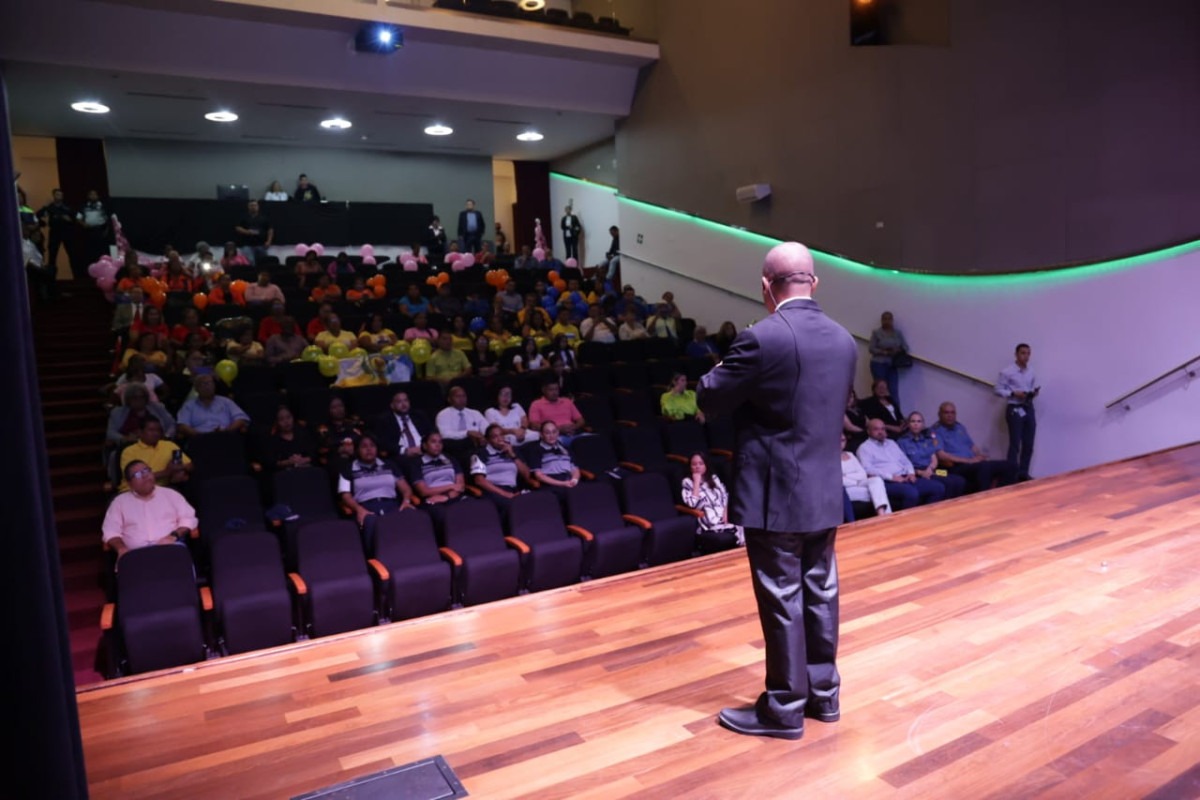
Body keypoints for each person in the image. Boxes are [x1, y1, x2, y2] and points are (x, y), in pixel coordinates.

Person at [696, 241, 857, 741]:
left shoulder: (760, 339)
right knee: (820, 591)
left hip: (774, 492)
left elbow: (709, 397)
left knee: (782, 596)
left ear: (766, 286)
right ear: (815, 282)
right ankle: (824, 696)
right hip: (824, 490)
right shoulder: (844, 340)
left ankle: (784, 707)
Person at [102, 460, 197, 560]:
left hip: (170, 548)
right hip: (135, 555)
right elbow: (110, 531)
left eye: (146, 470)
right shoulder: (119, 502)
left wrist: (173, 536)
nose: (145, 476)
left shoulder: (171, 494)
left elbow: (189, 518)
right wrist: (121, 549)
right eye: (138, 474)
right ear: (129, 483)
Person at [337, 434, 413, 552]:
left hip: (391, 504)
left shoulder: (389, 465)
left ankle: (410, 553)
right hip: (366, 507)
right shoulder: (348, 468)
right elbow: (345, 495)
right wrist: (359, 510)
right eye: (364, 446)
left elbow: (405, 488)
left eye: (372, 446)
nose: (369, 449)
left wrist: (406, 501)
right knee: (370, 521)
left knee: (409, 515)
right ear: (357, 450)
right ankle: (375, 557)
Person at [856, 418, 946, 511]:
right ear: (868, 431)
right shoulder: (864, 448)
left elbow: (906, 460)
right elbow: (868, 470)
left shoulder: (892, 443)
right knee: (912, 492)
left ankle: (927, 515)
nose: (881, 432)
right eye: (876, 429)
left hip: (913, 475)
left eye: (883, 429)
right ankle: (908, 519)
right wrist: (892, 477)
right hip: (889, 481)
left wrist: (911, 473)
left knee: (940, 486)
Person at [930, 401, 1018, 493]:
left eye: (952, 412)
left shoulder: (959, 427)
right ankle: (983, 498)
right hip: (955, 467)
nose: (950, 415)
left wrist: (980, 456)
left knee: (1010, 465)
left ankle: (1002, 495)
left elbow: (972, 446)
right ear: (939, 414)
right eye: (946, 412)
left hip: (971, 464)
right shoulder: (935, 431)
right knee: (984, 467)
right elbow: (941, 456)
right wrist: (969, 461)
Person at [897, 411, 967, 499]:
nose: (916, 424)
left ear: (923, 424)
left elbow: (934, 458)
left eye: (919, 421)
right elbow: (902, 465)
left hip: (933, 471)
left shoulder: (927, 439)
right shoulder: (902, 442)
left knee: (959, 480)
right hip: (917, 474)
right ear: (908, 424)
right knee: (947, 483)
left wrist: (930, 469)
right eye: (913, 421)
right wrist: (920, 472)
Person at [682, 452, 744, 547]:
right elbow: (692, 504)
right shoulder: (687, 483)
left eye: (701, 464)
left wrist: (726, 512)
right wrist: (696, 482)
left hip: (724, 514)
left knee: (744, 524)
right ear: (690, 467)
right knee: (737, 530)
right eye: (694, 464)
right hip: (709, 520)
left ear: (706, 465)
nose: (697, 467)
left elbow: (725, 496)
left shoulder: (714, 478)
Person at [996, 343, 1039, 481]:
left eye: (1028, 353)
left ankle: (1023, 474)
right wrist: (1013, 393)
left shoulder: (1031, 371)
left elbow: (1030, 386)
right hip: (1015, 408)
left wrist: (1032, 393)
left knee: (1029, 443)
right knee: (1015, 444)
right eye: (1023, 353)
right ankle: (1011, 475)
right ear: (1016, 354)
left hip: (1028, 407)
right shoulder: (1007, 372)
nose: (1026, 356)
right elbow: (997, 390)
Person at [405, 432, 466, 524]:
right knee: (444, 516)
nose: (437, 445)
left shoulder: (450, 458)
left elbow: (460, 486)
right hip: (433, 499)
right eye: (433, 442)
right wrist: (451, 486)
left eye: (440, 442)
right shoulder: (417, 464)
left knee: (472, 507)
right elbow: (424, 491)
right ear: (425, 445)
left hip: (454, 495)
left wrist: (447, 497)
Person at [117, 417, 191, 491]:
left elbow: (190, 465)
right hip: (133, 490)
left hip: (161, 489)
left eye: (158, 430)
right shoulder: (129, 451)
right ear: (140, 432)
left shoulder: (169, 445)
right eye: (151, 430)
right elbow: (135, 477)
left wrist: (179, 470)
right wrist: (166, 472)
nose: (156, 433)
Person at [470, 424, 531, 512]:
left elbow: (527, 475)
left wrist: (513, 456)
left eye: (501, 435)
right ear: (488, 440)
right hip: (493, 490)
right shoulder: (480, 454)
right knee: (513, 508)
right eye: (495, 437)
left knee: (532, 503)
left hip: (514, 489)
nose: (499, 439)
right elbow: (479, 480)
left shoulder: (513, 450)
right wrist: (505, 494)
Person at [176, 374, 250, 437]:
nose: (207, 386)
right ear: (196, 388)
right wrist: (199, 435)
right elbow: (182, 425)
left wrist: (227, 431)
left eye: (210, 383)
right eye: (203, 384)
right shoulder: (189, 405)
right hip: (200, 439)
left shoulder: (226, 401)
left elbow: (241, 419)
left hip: (226, 436)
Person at [106, 384, 176, 446]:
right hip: (129, 445)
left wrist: (166, 436)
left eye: (141, 397)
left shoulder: (157, 408)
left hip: (158, 444)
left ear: (146, 398)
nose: (138, 400)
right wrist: (124, 438)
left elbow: (171, 424)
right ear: (128, 399)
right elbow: (111, 432)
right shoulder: (117, 412)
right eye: (134, 397)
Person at [839, 433, 890, 518]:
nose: (841, 443)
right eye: (838, 440)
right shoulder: (829, 458)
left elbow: (862, 474)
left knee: (876, 480)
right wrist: (855, 481)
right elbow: (838, 479)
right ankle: (885, 516)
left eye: (843, 440)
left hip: (859, 484)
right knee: (876, 492)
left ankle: (882, 514)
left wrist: (847, 475)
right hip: (847, 490)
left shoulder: (850, 454)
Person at [373, 390, 432, 459]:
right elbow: (384, 443)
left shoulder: (419, 416)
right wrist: (404, 450)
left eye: (406, 400)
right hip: (402, 457)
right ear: (392, 405)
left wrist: (425, 447)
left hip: (425, 452)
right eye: (399, 402)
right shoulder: (384, 420)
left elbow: (431, 434)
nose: (404, 404)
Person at [435, 385, 488, 461]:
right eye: (458, 396)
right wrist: (467, 433)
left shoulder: (475, 413)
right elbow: (444, 434)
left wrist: (483, 437)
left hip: (476, 447)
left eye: (464, 396)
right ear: (449, 399)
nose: (462, 399)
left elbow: (487, 429)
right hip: (455, 448)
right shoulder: (443, 414)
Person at [529, 420, 580, 498]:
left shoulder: (565, 448)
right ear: (541, 435)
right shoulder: (536, 451)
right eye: (547, 433)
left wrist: (574, 480)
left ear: (558, 433)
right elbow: (539, 475)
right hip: (551, 485)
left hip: (569, 482)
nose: (551, 435)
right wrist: (562, 483)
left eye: (554, 432)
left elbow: (575, 469)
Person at [528, 377, 586, 446]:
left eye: (556, 389)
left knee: (593, 439)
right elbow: (534, 426)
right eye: (551, 390)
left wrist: (574, 427)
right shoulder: (536, 404)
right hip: (555, 437)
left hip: (574, 433)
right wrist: (558, 429)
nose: (554, 392)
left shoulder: (567, 401)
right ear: (543, 390)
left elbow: (581, 420)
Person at [868, 311, 909, 406]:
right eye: (884, 319)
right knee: (879, 390)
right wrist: (885, 352)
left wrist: (898, 350)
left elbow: (906, 347)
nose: (887, 321)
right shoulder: (876, 333)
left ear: (892, 320)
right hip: (878, 364)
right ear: (881, 320)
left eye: (889, 319)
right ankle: (878, 411)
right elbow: (871, 348)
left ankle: (896, 413)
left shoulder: (897, 333)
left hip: (892, 365)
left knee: (894, 391)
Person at [36, 188, 75, 278]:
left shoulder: (67, 207)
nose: (59, 196)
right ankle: (51, 279)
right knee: (52, 256)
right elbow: (38, 215)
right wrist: (45, 208)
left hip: (67, 233)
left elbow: (75, 219)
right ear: (53, 196)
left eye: (60, 195)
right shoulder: (50, 207)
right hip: (54, 233)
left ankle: (77, 277)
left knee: (72, 255)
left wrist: (69, 220)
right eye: (57, 194)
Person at [266, 406, 318, 471]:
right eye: (281, 419)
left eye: (288, 417)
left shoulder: (303, 434)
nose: (286, 421)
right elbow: (272, 463)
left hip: (307, 469)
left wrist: (303, 460)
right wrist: (289, 462)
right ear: (277, 422)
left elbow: (314, 454)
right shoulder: (274, 441)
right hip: (286, 472)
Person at [76, 189, 112, 268]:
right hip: (89, 231)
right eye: (91, 194)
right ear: (88, 196)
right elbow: (78, 218)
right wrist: (83, 224)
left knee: (102, 250)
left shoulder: (103, 206)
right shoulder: (84, 206)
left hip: (100, 230)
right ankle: (92, 267)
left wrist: (107, 230)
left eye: (94, 194)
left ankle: (103, 266)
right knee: (90, 251)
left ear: (98, 196)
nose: (93, 196)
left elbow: (109, 219)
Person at [234, 200, 273, 265]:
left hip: (261, 245)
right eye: (251, 205)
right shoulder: (243, 217)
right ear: (248, 207)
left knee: (264, 262)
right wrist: (247, 232)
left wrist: (269, 241)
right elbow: (237, 228)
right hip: (247, 245)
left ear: (258, 207)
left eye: (255, 205)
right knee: (250, 262)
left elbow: (270, 230)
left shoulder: (264, 218)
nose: (253, 207)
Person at [842, 388, 869, 453]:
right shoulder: (840, 411)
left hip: (866, 434)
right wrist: (867, 432)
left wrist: (873, 430)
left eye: (851, 397)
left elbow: (868, 422)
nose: (849, 399)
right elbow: (850, 427)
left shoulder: (858, 410)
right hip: (853, 437)